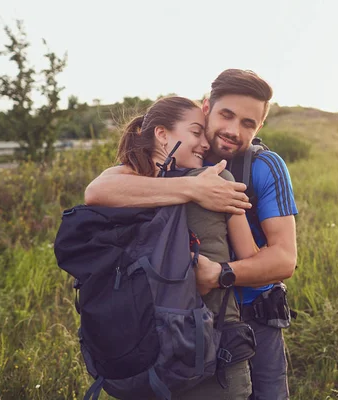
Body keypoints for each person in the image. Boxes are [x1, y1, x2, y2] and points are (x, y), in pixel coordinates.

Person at [85, 69, 298, 400]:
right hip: (178, 322)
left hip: (255, 319)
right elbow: (99, 189)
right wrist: (194, 188)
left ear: (259, 128)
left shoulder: (263, 167)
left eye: (248, 123)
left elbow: (284, 259)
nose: (233, 130)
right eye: (226, 114)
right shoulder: (168, 157)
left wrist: (219, 274)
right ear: (206, 108)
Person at [115, 95, 256, 399]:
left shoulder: (121, 188)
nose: (205, 144)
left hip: (143, 349)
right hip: (212, 348)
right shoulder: (217, 179)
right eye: (196, 133)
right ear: (162, 134)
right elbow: (251, 258)